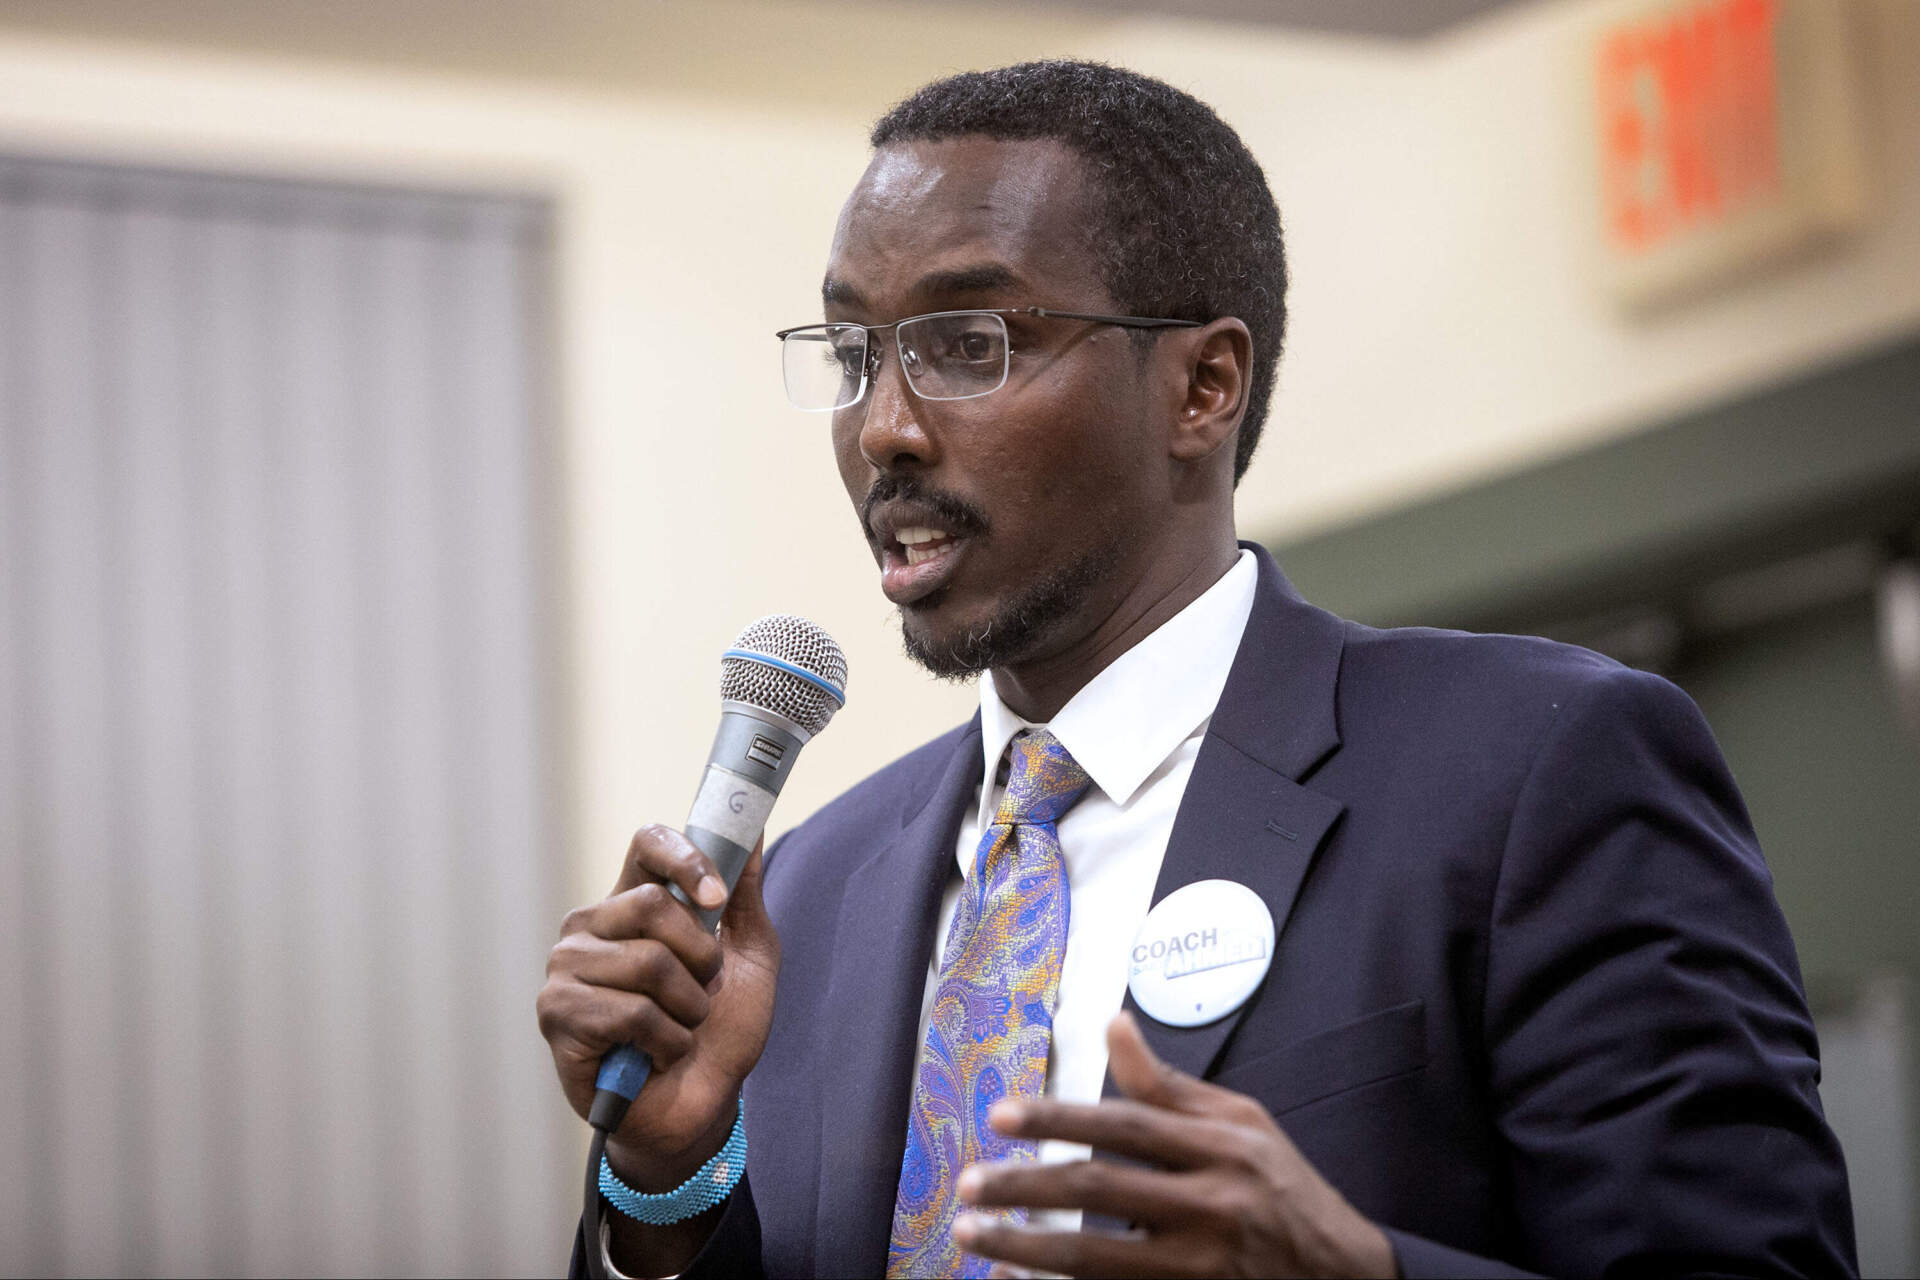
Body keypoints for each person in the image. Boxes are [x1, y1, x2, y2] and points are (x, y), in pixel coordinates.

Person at [537, 60, 1856, 1278]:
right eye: (853, 353)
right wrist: (671, 1177)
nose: (883, 427)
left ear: (1200, 390)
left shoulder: (1532, 771)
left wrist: (1356, 1273)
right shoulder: (810, 893)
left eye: (963, 344)